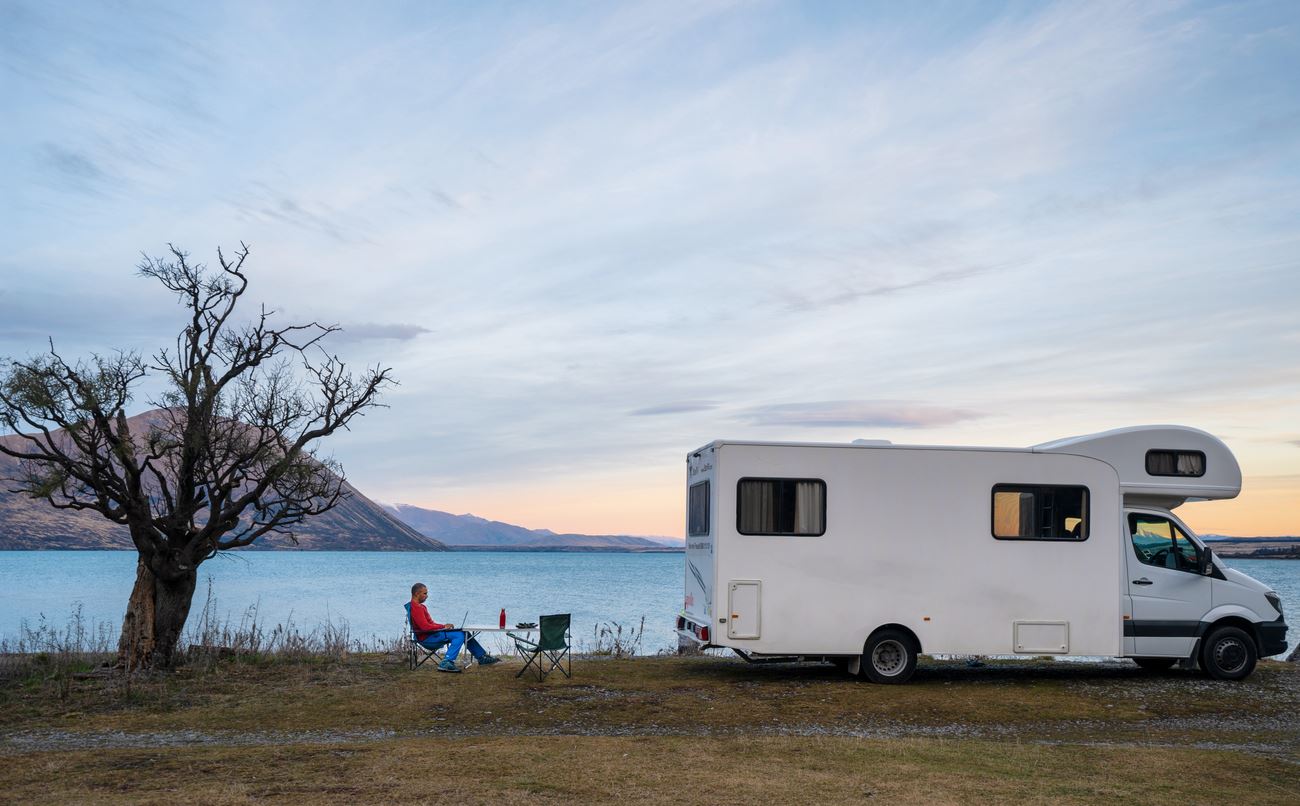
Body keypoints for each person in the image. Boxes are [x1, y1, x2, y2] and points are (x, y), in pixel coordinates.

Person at [408, 582, 500, 673]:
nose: (427, 596)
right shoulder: (416, 608)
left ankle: (482, 657)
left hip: (432, 634)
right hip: (427, 639)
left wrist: (443, 627)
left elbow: (430, 624)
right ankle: (446, 662)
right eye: (425, 593)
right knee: (459, 635)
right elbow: (425, 627)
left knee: (464, 633)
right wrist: (443, 626)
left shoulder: (421, 607)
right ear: (417, 594)